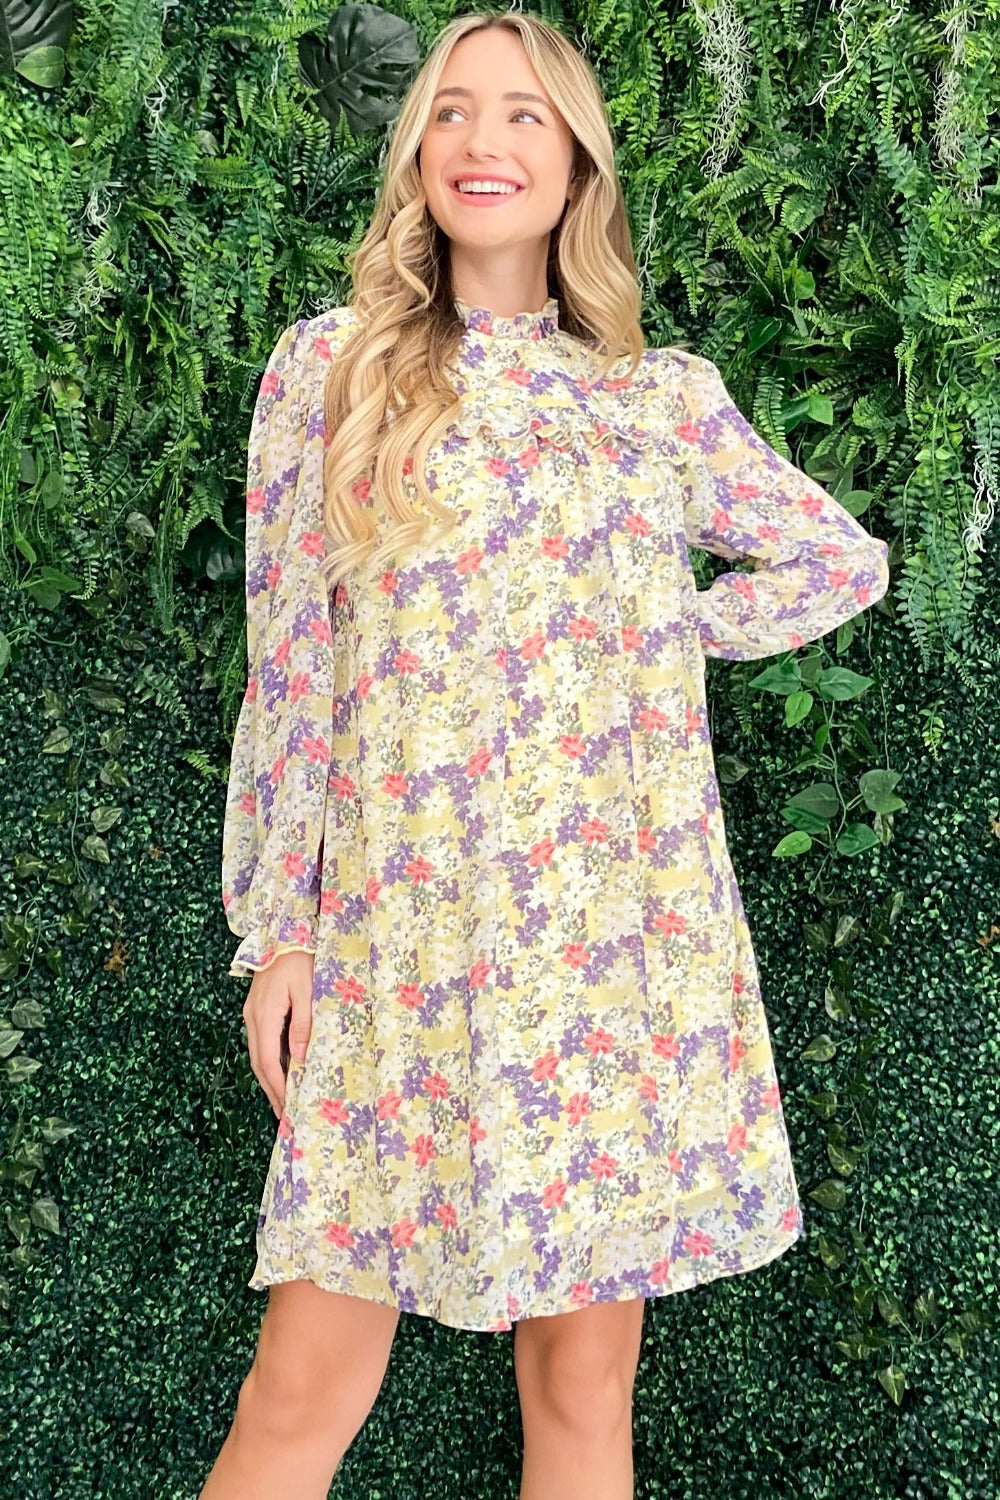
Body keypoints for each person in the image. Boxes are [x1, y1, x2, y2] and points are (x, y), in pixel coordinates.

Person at [200, 12, 890, 1500]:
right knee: (298, 1387)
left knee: (585, 1389)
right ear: (417, 156)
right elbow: (292, 667)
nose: (484, 141)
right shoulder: (330, 371)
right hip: (396, 938)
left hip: (608, 953)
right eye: (452, 111)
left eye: (525, 114)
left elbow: (841, 559)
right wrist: (280, 933)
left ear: (575, 162)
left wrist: (666, 624)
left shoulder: (653, 399)